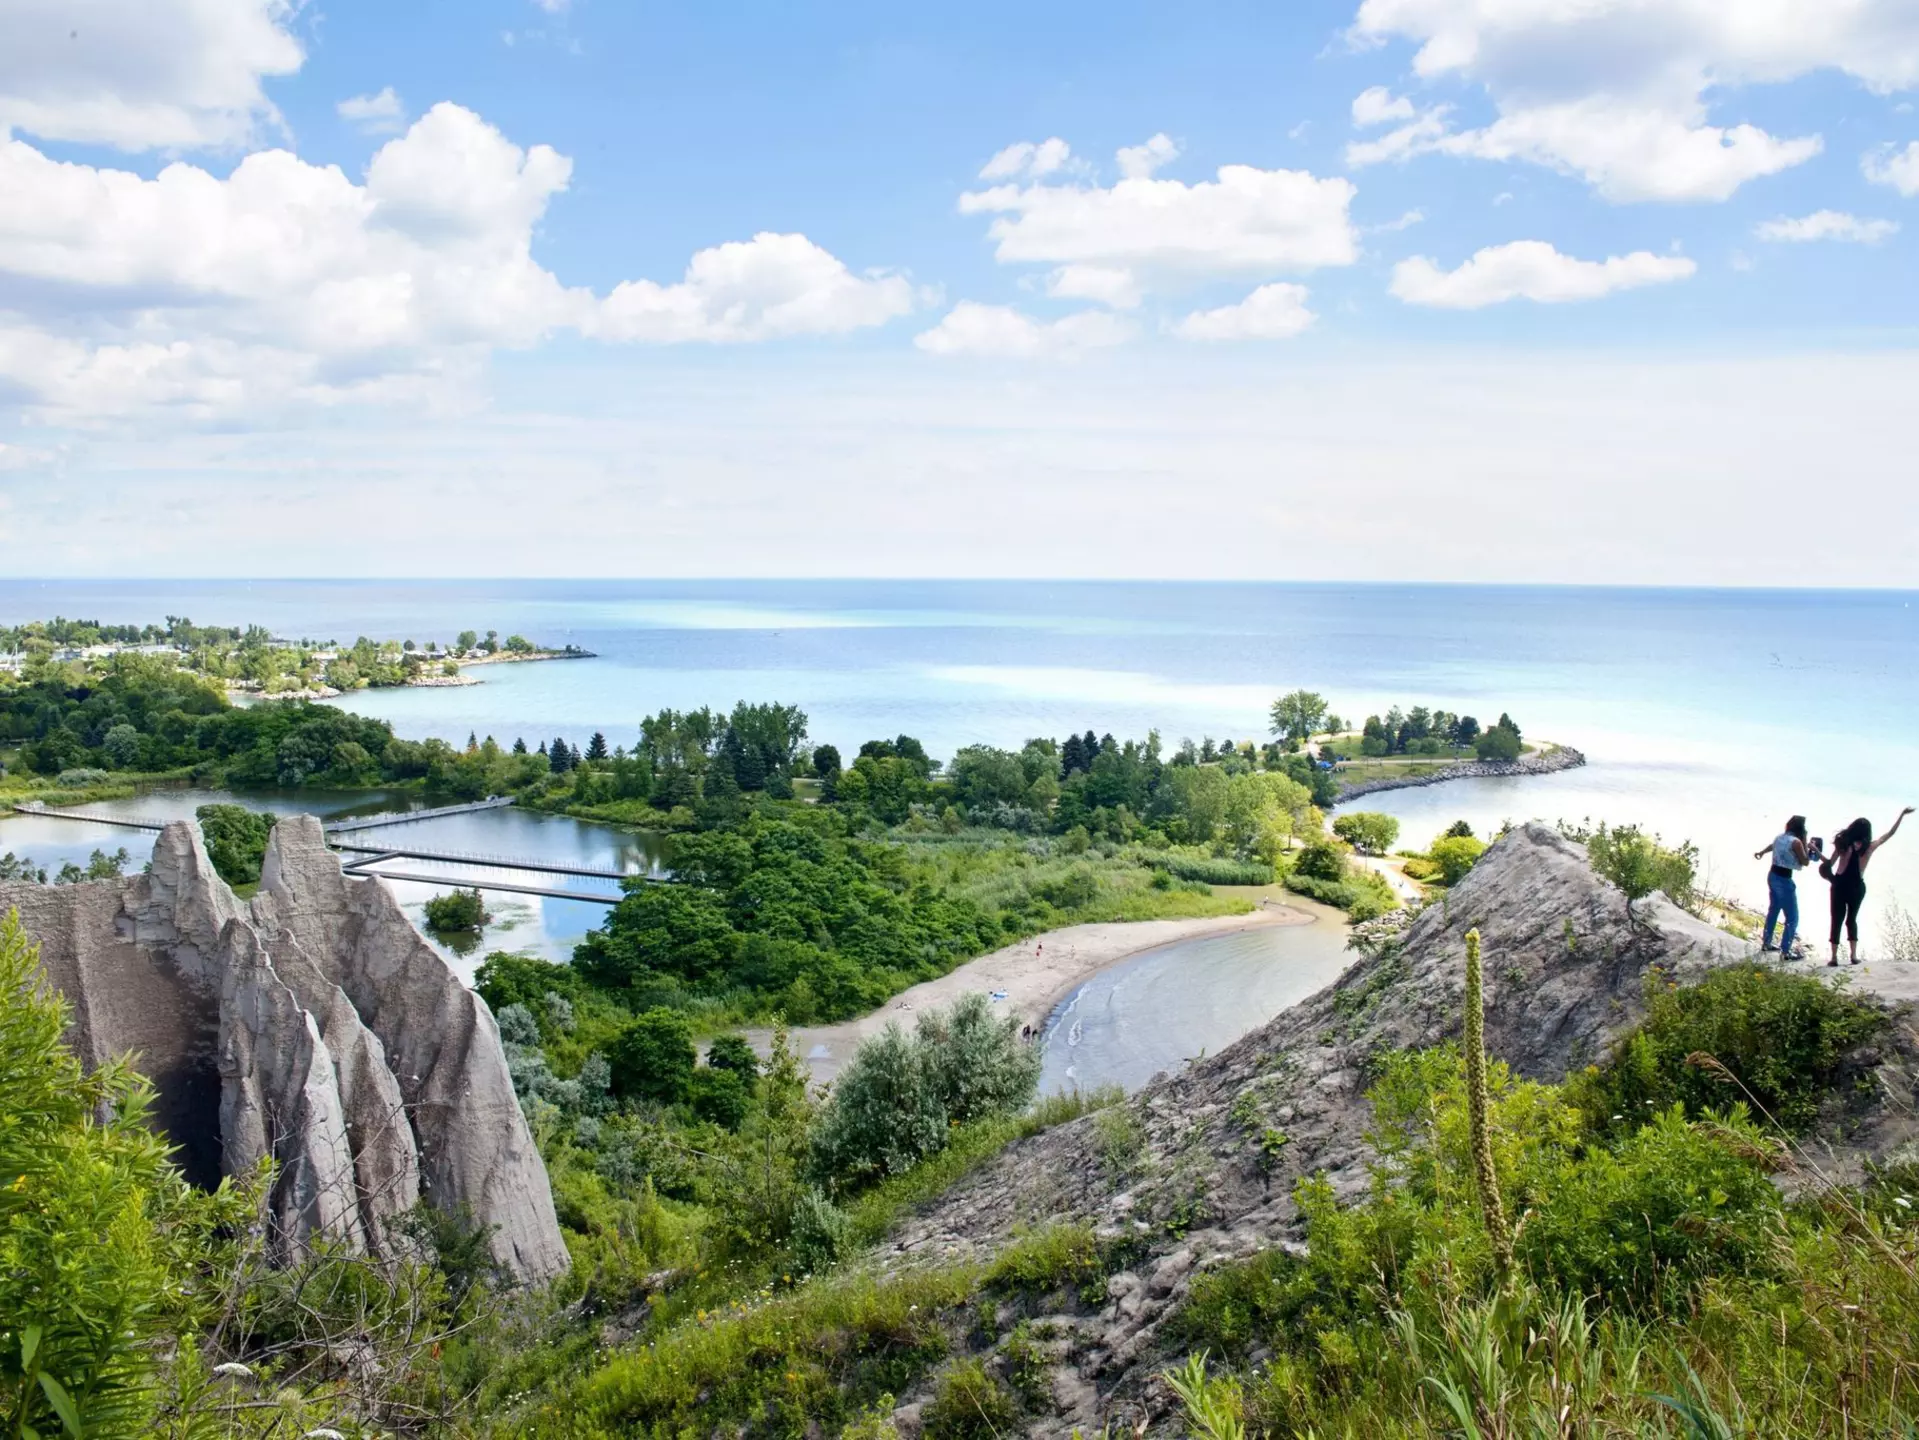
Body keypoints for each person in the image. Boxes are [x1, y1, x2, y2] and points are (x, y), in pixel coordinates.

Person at [1825, 806, 1913, 966]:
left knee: (1836, 919)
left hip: (1839, 885)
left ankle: (1834, 957)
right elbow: (1890, 834)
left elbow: (1829, 863)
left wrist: (1816, 852)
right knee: (1851, 920)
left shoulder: (1842, 843)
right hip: (1857, 887)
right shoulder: (1869, 847)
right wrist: (1902, 815)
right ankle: (1853, 956)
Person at [1754, 815, 1811, 958]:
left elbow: (1772, 846)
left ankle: (1766, 943)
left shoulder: (1780, 837)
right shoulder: (1796, 842)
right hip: (1785, 879)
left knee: (1773, 910)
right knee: (1792, 917)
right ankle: (1786, 951)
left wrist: (1761, 852)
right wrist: (1805, 841)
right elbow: (1805, 861)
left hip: (1772, 875)